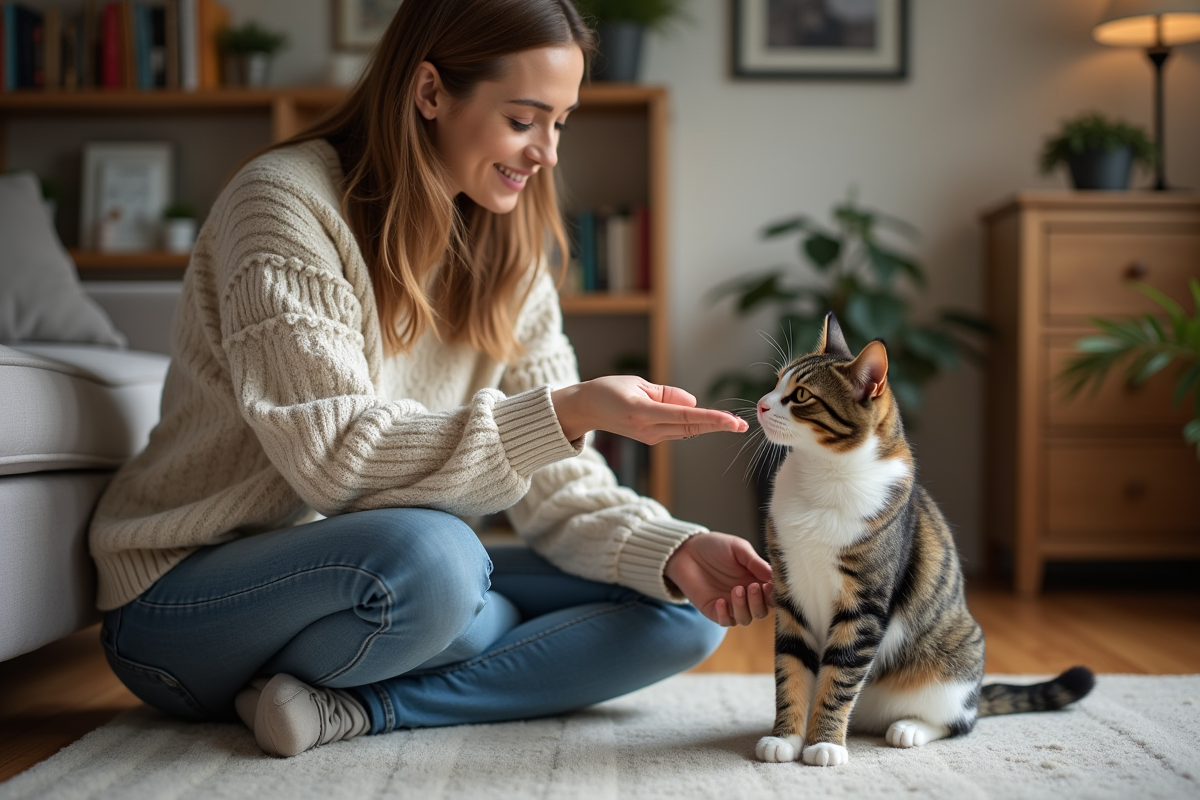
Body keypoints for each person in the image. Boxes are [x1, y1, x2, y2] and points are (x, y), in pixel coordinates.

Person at [89, 0, 772, 759]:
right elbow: (336, 462)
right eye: (523, 119)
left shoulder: (511, 250)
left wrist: (672, 548)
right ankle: (468, 629)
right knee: (443, 565)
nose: (545, 151)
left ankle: (357, 708)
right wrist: (568, 409)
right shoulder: (282, 204)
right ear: (430, 93)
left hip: (378, 587)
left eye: (561, 123)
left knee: (681, 603)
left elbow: (560, 491)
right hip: (184, 604)